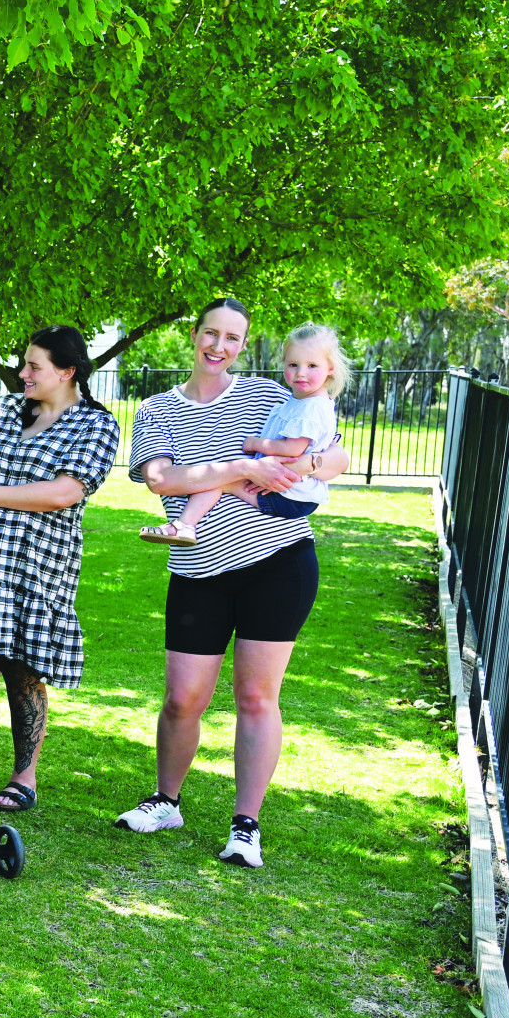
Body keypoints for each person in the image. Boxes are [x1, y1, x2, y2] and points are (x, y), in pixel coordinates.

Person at [120, 299, 352, 868]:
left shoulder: (273, 396)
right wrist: (241, 469)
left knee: (255, 697)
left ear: (243, 345)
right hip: (198, 571)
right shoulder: (156, 410)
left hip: (278, 565)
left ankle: (245, 826)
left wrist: (310, 467)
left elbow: (334, 452)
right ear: (193, 335)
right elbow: (160, 480)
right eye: (210, 334)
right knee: (182, 699)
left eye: (232, 338)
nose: (219, 346)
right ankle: (165, 801)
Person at [0, 325, 122, 820]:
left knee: (24, 668)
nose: (23, 373)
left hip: (38, 564)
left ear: (68, 371)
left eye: (35, 366)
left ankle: (24, 776)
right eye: (24, 364)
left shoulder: (94, 427)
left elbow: (62, 493)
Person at [142, 323, 349, 545]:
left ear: (330, 368)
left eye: (312, 366)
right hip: (292, 495)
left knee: (219, 481)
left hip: (289, 497)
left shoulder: (307, 406)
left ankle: (184, 526)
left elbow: (305, 451)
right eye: (293, 364)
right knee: (222, 478)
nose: (300, 373)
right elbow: (158, 480)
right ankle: (184, 526)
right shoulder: (296, 400)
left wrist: (258, 445)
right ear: (194, 333)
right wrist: (251, 468)